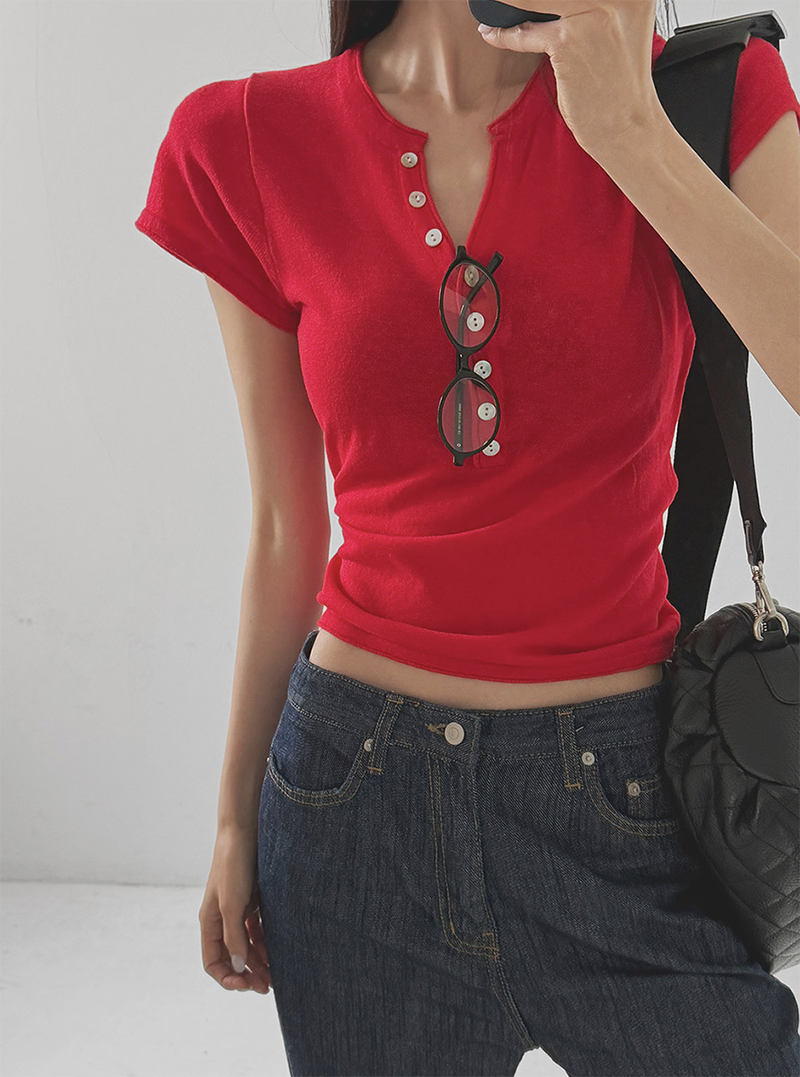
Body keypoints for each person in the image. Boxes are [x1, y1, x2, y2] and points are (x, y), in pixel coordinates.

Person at [135, 0, 800, 1072]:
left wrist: (631, 134)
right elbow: (283, 525)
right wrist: (232, 817)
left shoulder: (708, 95)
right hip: (354, 804)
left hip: (627, 802)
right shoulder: (244, 140)